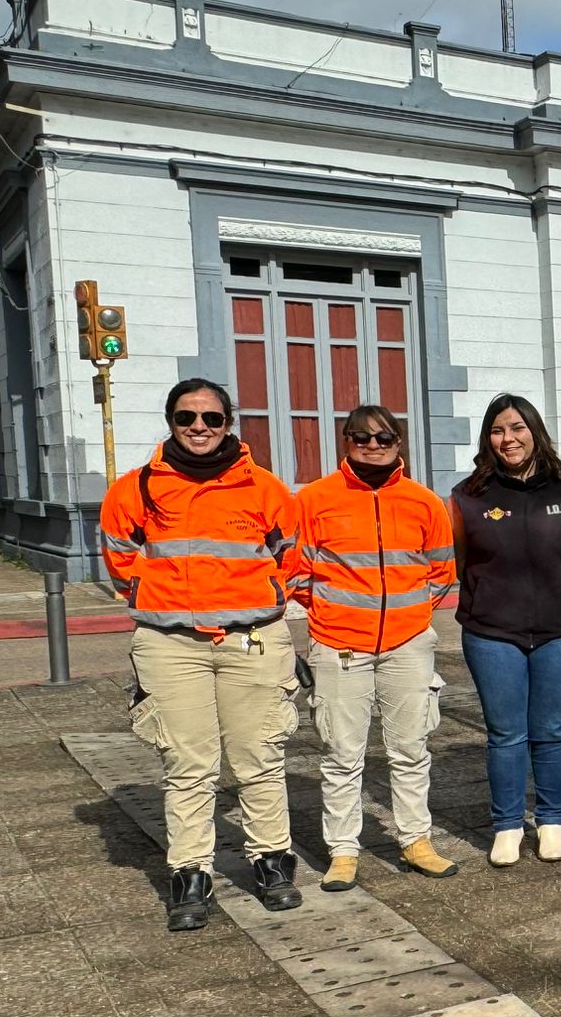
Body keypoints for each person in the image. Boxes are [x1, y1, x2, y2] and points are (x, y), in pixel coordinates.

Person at [100, 379, 303, 931]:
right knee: (188, 765)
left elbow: (291, 556)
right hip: (172, 644)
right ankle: (191, 873)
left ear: (228, 424)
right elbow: (119, 556)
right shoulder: (134, 489)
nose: (199, 428)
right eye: (187, 417)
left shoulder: (264, 488)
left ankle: (272, 860)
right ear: (170, 421)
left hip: (250, 640)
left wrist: (257, 601)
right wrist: (162, 596)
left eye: (211, 419)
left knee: (257, 756)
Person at [288, 406, 457, 889]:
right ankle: (343, 851)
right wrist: (331, 612)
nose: (373, 444)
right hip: (339, 644)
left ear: (399, 442)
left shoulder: (423, 502)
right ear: (345, 441)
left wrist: (409, 616)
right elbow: (297, 572)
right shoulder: (315, 499)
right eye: (361, 436)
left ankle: (416, 840)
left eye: (384, 436)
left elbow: (441, 572)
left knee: (411, 748)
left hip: (407, 644)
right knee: (342, 753)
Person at [451, 394, 561, 867]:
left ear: (535, 431)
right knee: (505, 734)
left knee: (553, 731)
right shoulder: (468, 496)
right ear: (487, 439)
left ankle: (552, 820)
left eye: (517, 428)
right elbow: (460, 560)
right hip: (493, 633)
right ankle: (508, 825)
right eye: (497, 430)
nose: (508, 439)